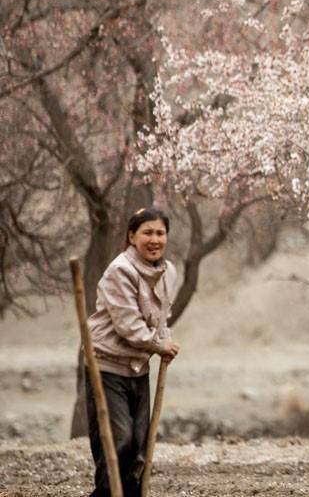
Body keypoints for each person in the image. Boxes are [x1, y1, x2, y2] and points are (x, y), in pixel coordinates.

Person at [84, 207, 180, 496]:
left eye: (160, 233)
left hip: (138, 367)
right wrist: (157, 343)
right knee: (118, 441)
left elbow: (162, 315)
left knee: (140, 446)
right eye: (147, 233)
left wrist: (165, 340)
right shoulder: (120, 271)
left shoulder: (168, 271)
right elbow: (128, 324)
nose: (154, 239)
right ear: (131, 236)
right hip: (107, 365)